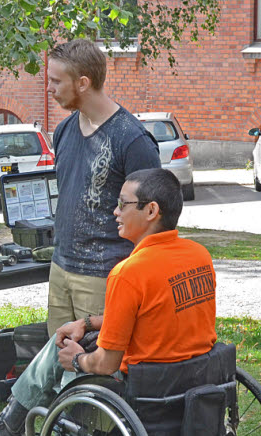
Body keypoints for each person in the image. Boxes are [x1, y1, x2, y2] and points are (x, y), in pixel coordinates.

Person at [0, 168, 216, 436]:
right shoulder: (199, 256)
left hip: (145, 389)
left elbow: (105, 364)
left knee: (64, 351)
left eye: (123, 203)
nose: (115, 211)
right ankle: (8, 422)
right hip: (191, 381)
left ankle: (10, 424)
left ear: (151, 211)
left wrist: (77, 359)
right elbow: (155, 314)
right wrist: (86, 323)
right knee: (72, 335)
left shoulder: (129, 273)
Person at [44, 38, 161, 337]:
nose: (50, 88)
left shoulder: (132, 139)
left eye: (57, 81)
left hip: (104, 278)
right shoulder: (63, 130)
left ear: (83, 83)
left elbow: (153, 220)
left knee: (98, 376)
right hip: (60, 270)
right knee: (59, 370)